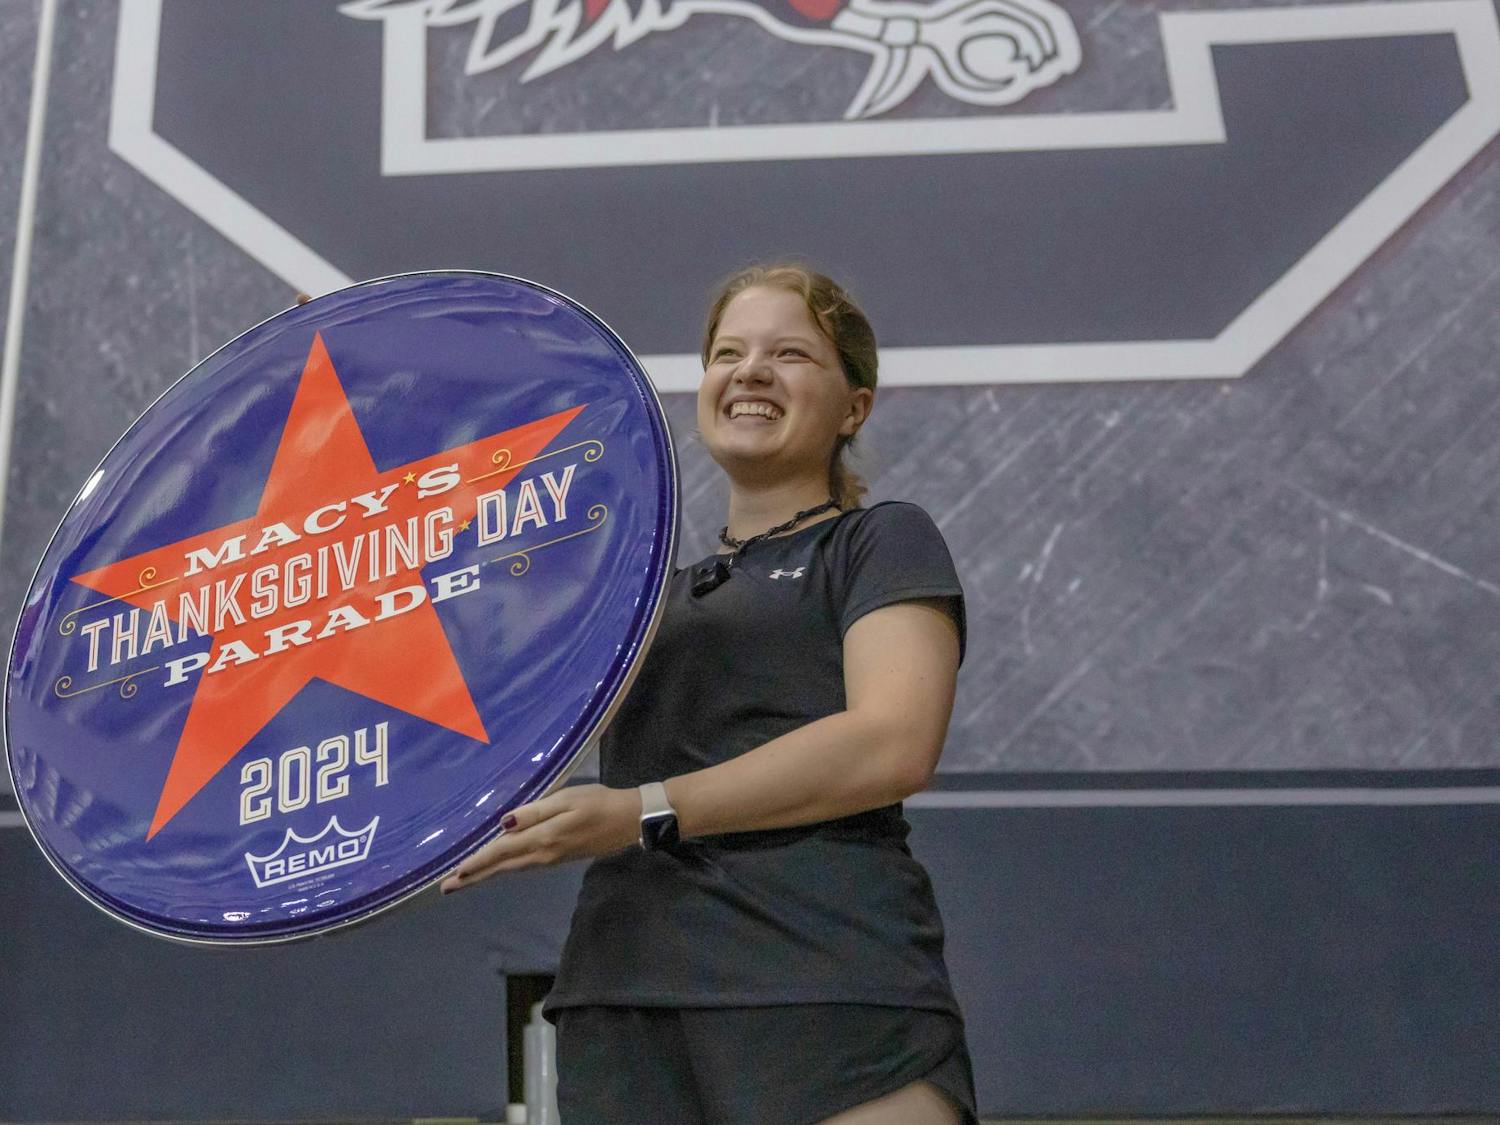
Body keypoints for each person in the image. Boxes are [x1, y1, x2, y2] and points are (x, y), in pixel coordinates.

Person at [441, 263, 977, 1124]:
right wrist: (367, 409)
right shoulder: (639, 595)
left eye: (790, 353)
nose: (750, 370)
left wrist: (642, 810)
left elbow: (892, 741)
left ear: (855, 407)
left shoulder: (881, 541)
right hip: (625, 1001)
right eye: (729, 351)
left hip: (826, 983)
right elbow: (466, 677)